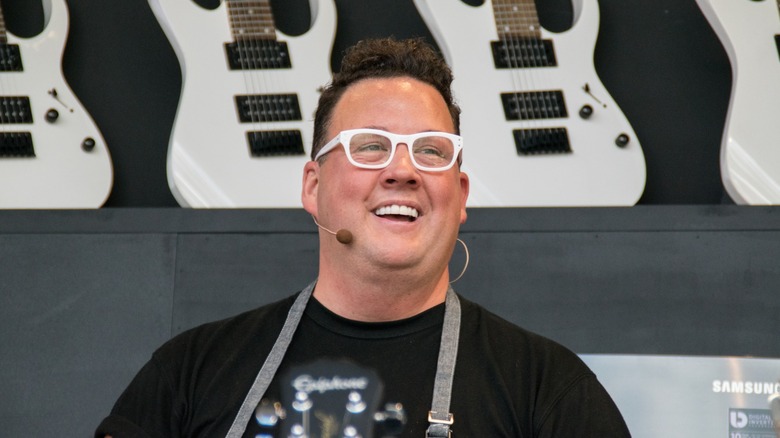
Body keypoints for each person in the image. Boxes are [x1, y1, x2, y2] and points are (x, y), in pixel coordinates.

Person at [96, 37, 631, 437]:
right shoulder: (189, 372)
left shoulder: (549, 390)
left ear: (460, 193)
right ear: (313, 185)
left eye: (430, 150)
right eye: (370, 146)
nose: (403, 170)